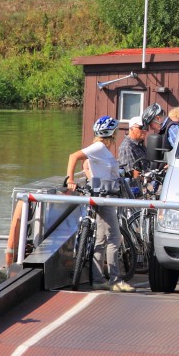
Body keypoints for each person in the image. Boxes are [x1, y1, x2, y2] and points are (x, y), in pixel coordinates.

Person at [64, 116, 133, 292]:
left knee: (101, 239)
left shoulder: (101, 150)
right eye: (116, 132)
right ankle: (115, 280)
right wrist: (70, 178)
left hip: (104, 195)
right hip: (104, 198)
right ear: (111, 133)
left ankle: (98, 279)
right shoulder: (99, 147)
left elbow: (88, 164)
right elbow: (74, 156)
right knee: (114, 238)